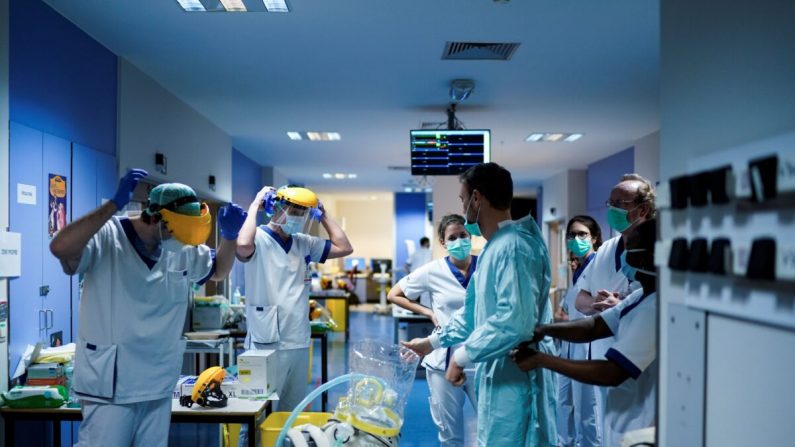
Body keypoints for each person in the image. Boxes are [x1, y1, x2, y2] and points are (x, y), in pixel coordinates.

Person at [49, 169, 246, 446]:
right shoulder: (108, 237)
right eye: (180, 232)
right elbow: (59, 248)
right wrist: (112, 205)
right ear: (156, 218)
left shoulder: (181, 248)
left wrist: (229, 236)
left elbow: (218, 270)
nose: (184, 241)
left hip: (158, 380)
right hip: (111, 385)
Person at [402, 162, 557, 447]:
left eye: (463, 200)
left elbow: (515, 321)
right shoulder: (494, 249)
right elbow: (474, 314)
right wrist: (432, 342)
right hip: (501, 373)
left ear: (476, 198)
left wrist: (461, 358)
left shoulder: (513, 247)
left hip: (516, 375)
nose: (463, 210)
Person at [512, 218, 658, 447]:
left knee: (585, 412)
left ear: (647, 256)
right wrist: (545, 329)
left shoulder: (654, 309)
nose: (622, 257)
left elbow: (613, 372)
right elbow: (595, 326)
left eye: (629, 250)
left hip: (641, 428)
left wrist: (542, 360)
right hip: (621, 423)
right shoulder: (638, 297)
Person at [236, 185, 353, 447]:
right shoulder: (259, 238)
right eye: (293, 211)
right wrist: (255, 204)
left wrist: (322, 215)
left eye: (303, 213)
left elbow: (344, 247)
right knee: (254, 412)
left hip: (297, 340)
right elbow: (242, 245)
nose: (297, 218)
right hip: (265, 342)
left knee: (289, 415)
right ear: (275, 208)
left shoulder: (303, 243)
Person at [388, 214, 478, 447]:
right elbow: (394, 294)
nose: (459, 241)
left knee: (493, 430)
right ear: (442, 242)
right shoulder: (433, 270)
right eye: (453, 237)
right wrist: (428, 311)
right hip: (443, 362)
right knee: (450, 436)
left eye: (463, 235)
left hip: (482, 361)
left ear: (470, 236)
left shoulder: (486, 266)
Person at [574, 174, 655, 359]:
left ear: (643, 209)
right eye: (610, 203)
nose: (612, 209)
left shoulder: (657, 253)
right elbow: (580, 299)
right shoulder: (605, 249)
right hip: (599, 351)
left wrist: (620, 306)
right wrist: (599, 303)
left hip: (636, 356)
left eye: (619, 203)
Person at [557, 215, 604, 447]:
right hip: (569, 344)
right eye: (572, 235)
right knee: (563, 402)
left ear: (594, 238)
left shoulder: (599, 264)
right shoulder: (576, 268)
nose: (576, 239)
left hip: (587, 345)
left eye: (582, 234)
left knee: (586, 408)